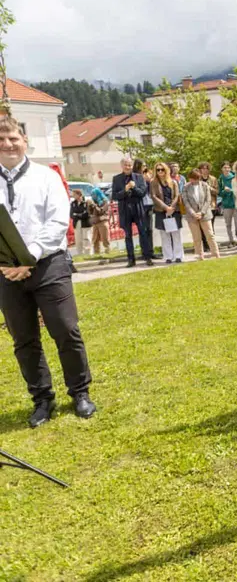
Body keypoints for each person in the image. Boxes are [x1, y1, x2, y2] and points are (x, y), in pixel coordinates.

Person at [0, 116, 96, 427]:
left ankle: (79, 392)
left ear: (24, 140)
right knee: (23, 339)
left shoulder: (46, 177)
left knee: (66, 330)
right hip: (5, 272)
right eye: (1, 140)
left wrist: (29, 258)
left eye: (13, 138)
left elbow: (57, 222)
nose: (7, 144)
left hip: (49, 264)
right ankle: (42, 398)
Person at [112, 157, 154, 267]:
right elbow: (115, 196)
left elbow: (142, 193)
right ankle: (131, 259)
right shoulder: (117, 179)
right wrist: (125, 190)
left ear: (132, 166)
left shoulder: (139, 177)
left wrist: (134, 188)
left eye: (129, 165)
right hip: (125, 210)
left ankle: (147, 257)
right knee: (128, 236)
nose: (128, 167)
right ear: (122, 166)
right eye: (125, 165)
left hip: (138, 208)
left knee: (143, 233)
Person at [182, 168, 220, 261]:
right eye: (190, 178)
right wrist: (193, 213)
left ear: (198, 178)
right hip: (192, 216)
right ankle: (199, 255)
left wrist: (201, 212)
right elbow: (185, 201)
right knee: (196, 236)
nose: (192, 180)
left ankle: (215, 254)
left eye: (194, 179)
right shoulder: (186, 187)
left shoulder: (204, 185)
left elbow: (208, 200)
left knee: (210, 235)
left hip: (205, 214)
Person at [150, 162, 184, 263]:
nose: (160, 171)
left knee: (176, 234)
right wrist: (165, 208)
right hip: (161, 211)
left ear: (166, 170)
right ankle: (168, 257)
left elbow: (177, 195)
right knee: (165, 235)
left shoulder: (173, 182)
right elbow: (153, 196)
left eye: (162, 169)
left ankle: (178, 256)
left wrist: (171, 207)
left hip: (174, 211)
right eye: (158, 170)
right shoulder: (153, 182)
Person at [218, 161, 237, 246]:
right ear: (222, 169)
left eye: (228, 168)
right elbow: (219, 193)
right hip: (226, 205)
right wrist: (224, 191)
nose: (227, 169)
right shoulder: (220, 179)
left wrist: (231, 190)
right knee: (228, 224)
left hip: (236, 203)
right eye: (225, 168)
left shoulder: (234, 177)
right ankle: (231, 240)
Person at [198, 162, 218, 253]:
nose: (204, 170)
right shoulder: (197, 179)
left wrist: (209, 188)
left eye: (206, 168)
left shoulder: (213, 179)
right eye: (202, 168)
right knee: (202, 227)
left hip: (211, 206)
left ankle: (211, 245)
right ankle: (205, 245)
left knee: (210, 227)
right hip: (201, 207)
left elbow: (217, 192)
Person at [87, 186, 111, 254]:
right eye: (91, 194)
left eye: (94, 194)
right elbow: (90, 213)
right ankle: (96, 253)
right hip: (95, 222)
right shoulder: (93, 201)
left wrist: (95, 206)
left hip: (102, 222)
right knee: (95, 239)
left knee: (104, 239)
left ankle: (107, 251)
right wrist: (89, 206)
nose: (92, 196)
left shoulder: (105, 201)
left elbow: (102, 211)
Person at [69, 189, 90, 255]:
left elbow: (86, 214)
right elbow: (71, 215)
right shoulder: (73, 203)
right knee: (78, 240)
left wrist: (77, 215)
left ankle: (88, 253)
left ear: (79, 194)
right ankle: (80, 254)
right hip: (77, 223)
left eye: (74, 194)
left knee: (86, 238)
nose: (73, 196)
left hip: (85, 223)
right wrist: (80, 214)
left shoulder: (86, 202)